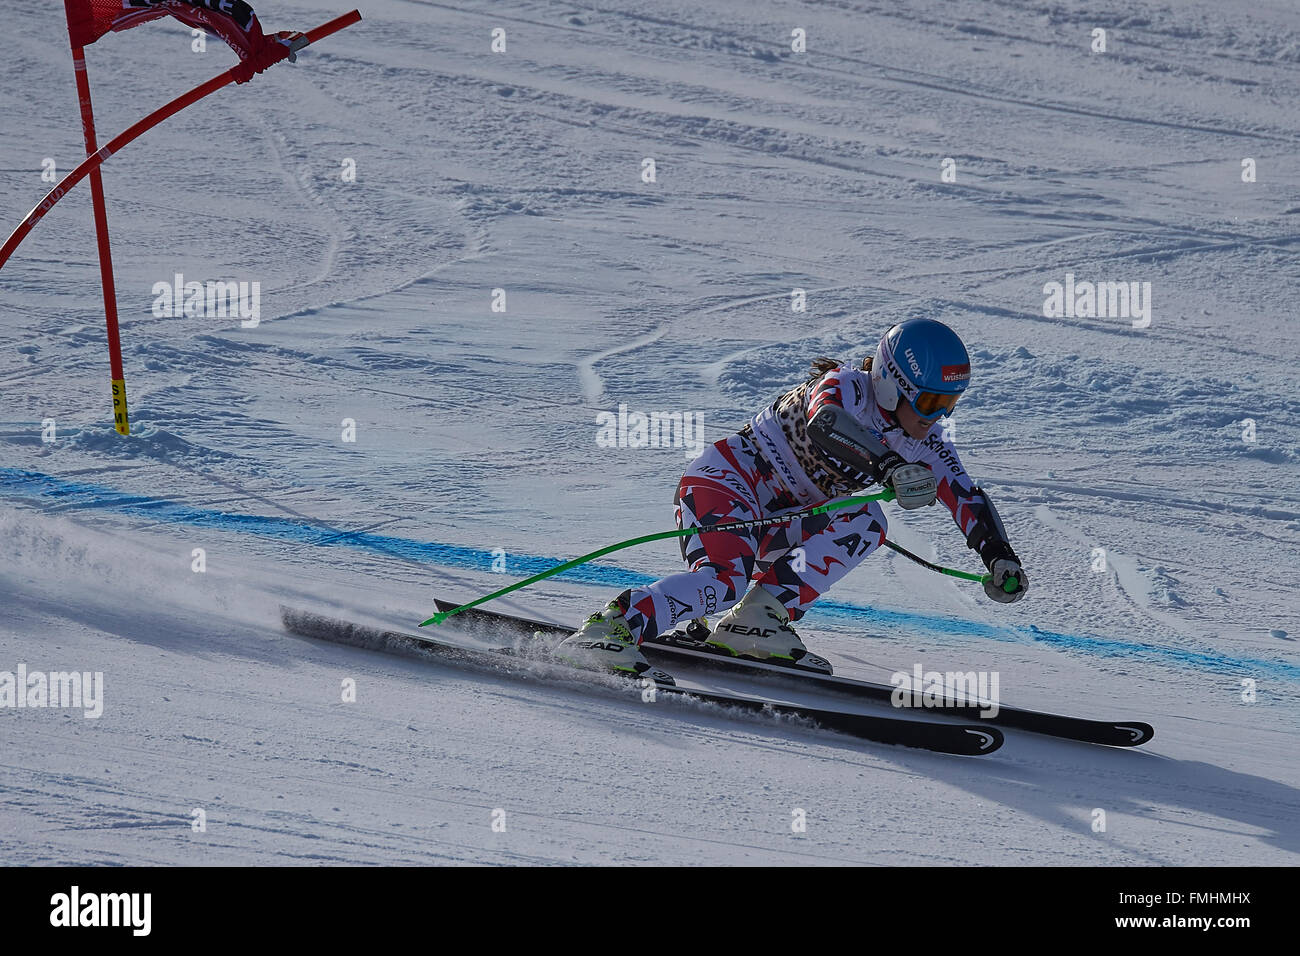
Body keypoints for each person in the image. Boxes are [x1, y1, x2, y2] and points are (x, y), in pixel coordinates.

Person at [554, 318, 1027, 677]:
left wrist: (998, 555)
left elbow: (965, 494)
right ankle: (611, 628)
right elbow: (827, 425)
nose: (936, 415)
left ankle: (757, 622)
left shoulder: (926, 442)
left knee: (867, 520)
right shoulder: (844, 387)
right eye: (929, 402)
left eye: (950, 404)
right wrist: (888, 466)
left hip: (781, 518)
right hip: (727, 483)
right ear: (890, 383)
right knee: (722, 582)